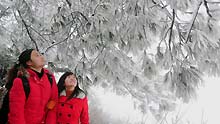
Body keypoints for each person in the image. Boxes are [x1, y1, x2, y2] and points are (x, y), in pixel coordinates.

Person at [7, 49, 58, 124]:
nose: (41, 56)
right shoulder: (21, 81)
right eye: (37, 55)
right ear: (29, 62)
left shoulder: (50, 78)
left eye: (40, 54)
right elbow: (16, 112)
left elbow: (53, 101)